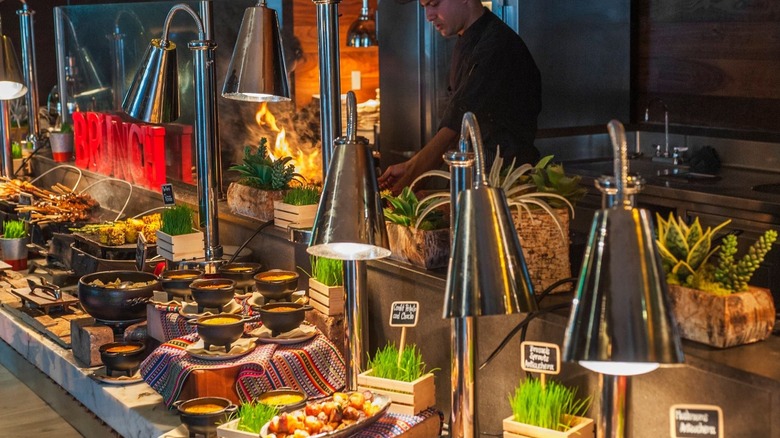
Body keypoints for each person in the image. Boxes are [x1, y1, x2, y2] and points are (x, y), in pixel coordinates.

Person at [378, 0, 542, 194]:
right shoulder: (467, 40)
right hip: (476, 183)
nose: (429, 15)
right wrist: (416, 173)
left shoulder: (497, 46)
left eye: (434, 4)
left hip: (505, 186)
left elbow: (455, 126)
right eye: (425, 7)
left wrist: (413, 173)